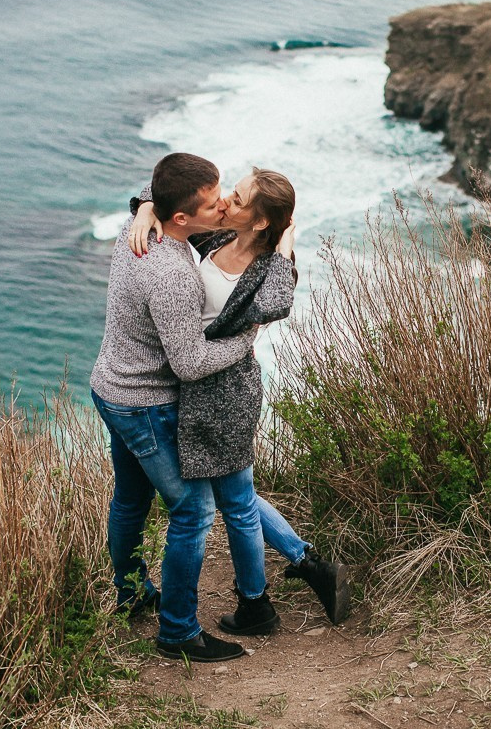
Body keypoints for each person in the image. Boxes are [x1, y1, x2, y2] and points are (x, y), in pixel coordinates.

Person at [127, 167, 350, 636]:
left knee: (237, 503)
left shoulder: (268, 269)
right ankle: (300, 570)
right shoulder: (219, 236)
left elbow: (276, 303)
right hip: (194, 388)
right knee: (236, 498)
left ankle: (259, 603)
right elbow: (169, 194)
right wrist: (146, 209)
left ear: (262, 222)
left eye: (239, 197)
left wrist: (285, 248)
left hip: (227, 395)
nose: (226, 200)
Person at [91, 152, 259, 663]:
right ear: (181, 218)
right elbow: (188, 363)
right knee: (193, 511)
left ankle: (131, 593)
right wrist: (247, 338)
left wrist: (143, 207)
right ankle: (179, 632)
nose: (224, 206)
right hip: (145, 404)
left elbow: (157, 185)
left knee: (129, 503)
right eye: (212, 205)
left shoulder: (135, 230)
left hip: (109, 388)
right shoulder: (171, 273)